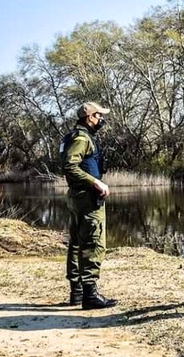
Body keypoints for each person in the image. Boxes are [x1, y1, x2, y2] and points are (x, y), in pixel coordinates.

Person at [60, 102, 118, 310]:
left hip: (77, 197)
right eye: (99, 115)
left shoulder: (74, 136)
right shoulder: (82, 138)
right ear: (89, 117)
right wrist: (96, 182)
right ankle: (89, 295)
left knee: (76, 243)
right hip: (87, 199)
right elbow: (69, 165)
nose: (102, 119)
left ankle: (77, 292)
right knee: (93, 243)